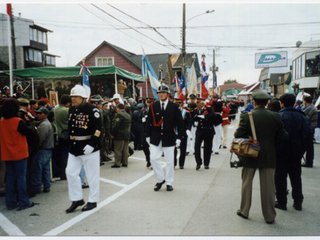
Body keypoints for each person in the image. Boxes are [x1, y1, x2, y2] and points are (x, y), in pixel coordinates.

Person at [235, 89, 288, 224]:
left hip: (250, 153)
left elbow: (238, 135)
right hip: (269, 155)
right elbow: (284, 136)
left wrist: (250, 138)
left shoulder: (247, 116)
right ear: (267, 103)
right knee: (269, 187)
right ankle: (269, 216)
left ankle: (244, 211)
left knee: (246, 183)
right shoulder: (275, 116)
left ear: (253, 101)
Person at [65, 85, 102, 213]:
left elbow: (98, 129)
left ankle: (92, 200)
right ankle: (77, 198)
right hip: (75, 147)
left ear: (83, 98)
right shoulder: (71, 110)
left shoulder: (92, 110)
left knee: (92, 176)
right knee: (70, 172)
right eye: (72, 96)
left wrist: (92, 144)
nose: (73, 99)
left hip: (89, 147)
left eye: (75, 96)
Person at [275, 94, 313, 211]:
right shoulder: (302, 116)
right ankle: (298, 201)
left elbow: (275, 135)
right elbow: (308, 134)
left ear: (282, 103)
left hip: (281, 153)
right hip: (296, 152)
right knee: (296, 177)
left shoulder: (279, 116)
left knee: (280, 177)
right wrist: (302, 150)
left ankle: (282, 202)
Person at [145, 84, 183, 191]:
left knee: (170, 161)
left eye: (164, 93)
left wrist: (179, 137)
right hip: (155, 137)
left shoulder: (174, 107)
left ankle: (169, 182)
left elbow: (180, 124)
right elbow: (149, 121)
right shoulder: (153, 106)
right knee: (153, 158)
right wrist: (147, 135)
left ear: (167, 94)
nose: (161, 95)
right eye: (160, 93)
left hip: (169, 137)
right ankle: (160, 179)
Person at [0, 98, 35, 210]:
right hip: (19, 153)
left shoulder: (1, 121)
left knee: (10, 178)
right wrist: (28, 122)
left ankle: (10, 202)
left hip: (6, 153)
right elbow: (30, 132)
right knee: (21, 178)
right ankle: (24, 201)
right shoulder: (18, 121)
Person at [30, 107, 54, 193]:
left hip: (42, 150)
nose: (38, 115)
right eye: (38, 113)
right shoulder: (45, 123)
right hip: (47, 150)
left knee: (37, 169)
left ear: (46, 115)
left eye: (40, 113)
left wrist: (34, 147)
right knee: (45, 169)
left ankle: (36, 187)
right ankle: (47, 185)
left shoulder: (44, 125)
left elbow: (39, 139)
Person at [194, 98, 216, 170]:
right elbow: (193, 117)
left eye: (198, 103)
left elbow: (213, 115)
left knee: (207, 148)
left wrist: (204, 117)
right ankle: (198, 162)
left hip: (208, 130)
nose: (196, 104)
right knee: (197, 147)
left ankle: (206, 163)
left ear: (202, 103)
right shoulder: (196, 110)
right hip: (199, 130)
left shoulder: (209, 108)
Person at [54, 94, 71, 180]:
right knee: (67, 155)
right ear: (67, 103)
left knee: (61, 155)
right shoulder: (67, 110)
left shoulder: (56, 108)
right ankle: (65, 173)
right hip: (67, 134)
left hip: (60, 134)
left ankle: (61, 172)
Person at [110, 103, 131, 168]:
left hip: (120, 134)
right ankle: (125, 162)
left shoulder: (119, 115)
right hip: (127, 133)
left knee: (118, 149)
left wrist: (112, 133)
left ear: (118, 108)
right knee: (125, 149)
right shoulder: (127, 114)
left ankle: (117, 163)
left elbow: (116, 126)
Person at [173, 98, 192, 169]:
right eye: (176, 103)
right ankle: (174, 163)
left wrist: (188, 129)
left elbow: (189, 122)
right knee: (173, 149)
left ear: (181, 104)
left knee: (183, 149)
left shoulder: (186, 112)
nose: (178, 105)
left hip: (183, 132)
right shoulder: (172, 112)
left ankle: (181, 164)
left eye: (179, 103)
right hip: (174, 132)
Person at [302, 96, 318, 168]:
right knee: (309, 146)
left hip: (309, 129)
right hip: (312, 128)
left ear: (305, 101)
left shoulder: (309, 108)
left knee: (307, 145)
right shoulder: (313, 107)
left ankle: (309, 161)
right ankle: (309, 161)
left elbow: (305, 118)